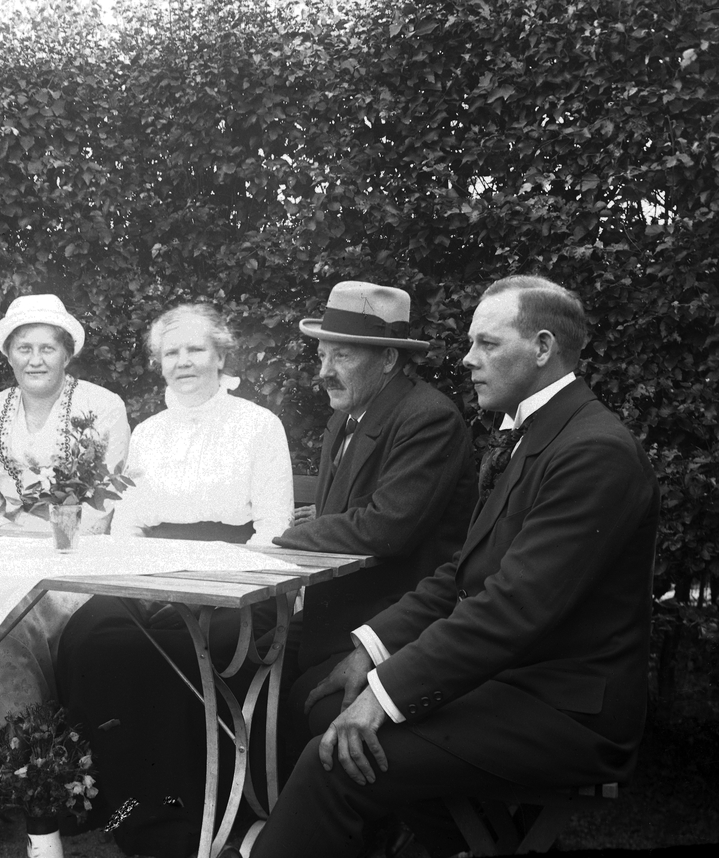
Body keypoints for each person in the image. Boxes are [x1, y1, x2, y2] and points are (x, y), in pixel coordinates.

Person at [248, 275, 660, 858]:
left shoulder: (594, 451)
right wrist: (369, 649)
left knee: (332, 761)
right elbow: (463, 575)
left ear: (542, 349)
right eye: (471, 343)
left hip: (567, 712)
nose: (467, 359)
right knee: (323, 706)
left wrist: (383, 693)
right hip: (515, 683)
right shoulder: (536, 435)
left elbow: (509, 609)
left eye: (487, 343)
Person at [56, 303, 294, 858]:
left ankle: (184, 815)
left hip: (238, 583)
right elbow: (129, 523)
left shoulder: (259, 425)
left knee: (175, 651)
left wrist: (213, 584)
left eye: (195, 349)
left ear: (220, 356)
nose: (183, 362)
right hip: (156, 577)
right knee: (90, 635)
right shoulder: (148, 432)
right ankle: (118, 801)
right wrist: (144, 585)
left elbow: (274, 527)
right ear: (159, 363)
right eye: (171, 352)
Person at [273, 281, 476, 764]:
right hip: (337, 612)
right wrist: (322, 524)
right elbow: (346, 517)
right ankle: (247, 804)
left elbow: (385, 528)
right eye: (322, 355)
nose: (324, 372)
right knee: (230, 658)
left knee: (299, 696)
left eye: (342, 356)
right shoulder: (347, 418)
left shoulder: (428, 417)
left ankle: (300, 806)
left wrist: (292, 536)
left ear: (388, 359)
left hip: (394, 622)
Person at [0, 293, 130, 746]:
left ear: (67, 354)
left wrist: (46, 544)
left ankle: (25, 750)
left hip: (78, 559)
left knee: (5, 614)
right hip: (6, 551)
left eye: (48, 348)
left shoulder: (102, 405)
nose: (35, 360)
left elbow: (102, 508)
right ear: (9, 355)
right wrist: (14, 547)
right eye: (24, 348)